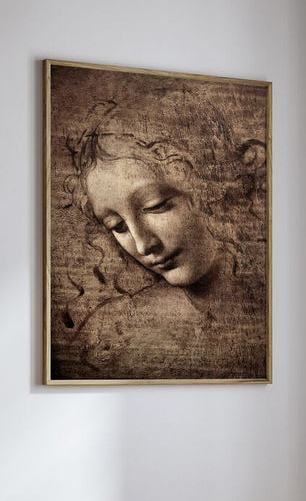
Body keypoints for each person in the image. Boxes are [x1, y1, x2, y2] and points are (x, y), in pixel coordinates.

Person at [51, 78, 268, 381]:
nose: (142, 245)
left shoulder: (278, 304)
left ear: (214, 186)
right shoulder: (117, 335)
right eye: (118, 226)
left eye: (155, 206)